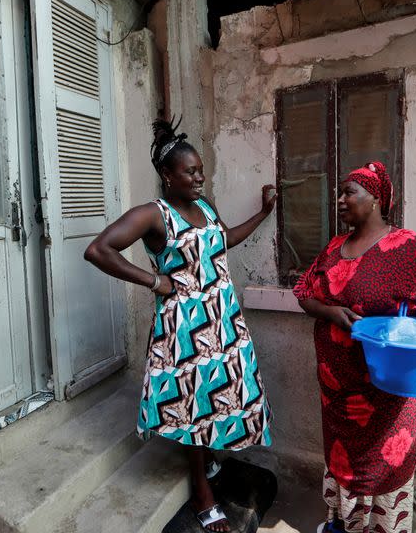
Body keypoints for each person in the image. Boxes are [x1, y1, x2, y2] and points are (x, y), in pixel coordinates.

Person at [84, 118, 276, 532]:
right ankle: (202, 495)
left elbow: (225, 240)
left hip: (221, 321)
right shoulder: (154, 214)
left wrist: (263, 214)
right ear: (167, 177)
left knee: (222, 397)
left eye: (200, 170)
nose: (199, 178)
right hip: (186, 331)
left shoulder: (205, 209)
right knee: (196, 405)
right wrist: (154, 280)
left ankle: (207, 462)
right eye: (189, 171)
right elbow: (99, 249)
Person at [293, 161, 416, 533]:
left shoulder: (408, 249)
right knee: (343, 472)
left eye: (350, 191)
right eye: (340, 192)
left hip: (385, 403)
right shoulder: (335, 248)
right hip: (337, 400)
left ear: (377, 198)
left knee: (380, 477)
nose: (340, 199)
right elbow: (303, 293)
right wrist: (331, 312)